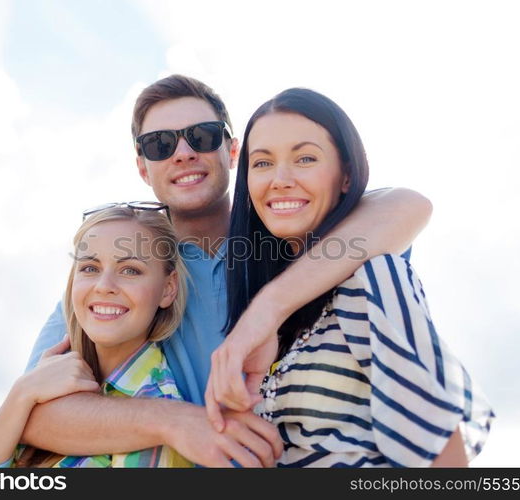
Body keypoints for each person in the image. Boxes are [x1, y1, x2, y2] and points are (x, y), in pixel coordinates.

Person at [21, 75, 434, 467]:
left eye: (202, 136)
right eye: (160, 143)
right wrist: (175, 420)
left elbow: (406, 205)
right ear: (143, 168)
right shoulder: (124, 274)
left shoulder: (298, 235)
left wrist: (267, 310)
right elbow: (35, 417)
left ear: (232, 151)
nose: (183, 153)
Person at [207, 88, 494, 467]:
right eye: (261, 163)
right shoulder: (260, 299)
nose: (280, 179)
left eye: (305, 158)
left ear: (345, 176)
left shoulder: (373, 278)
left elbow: (441, 452)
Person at [0, 206, 192, 467]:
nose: (103, 286)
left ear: (167, 289)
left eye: (130, 270)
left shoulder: (160, 420)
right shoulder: (45, 382)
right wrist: (23, 393)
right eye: (90, 268)